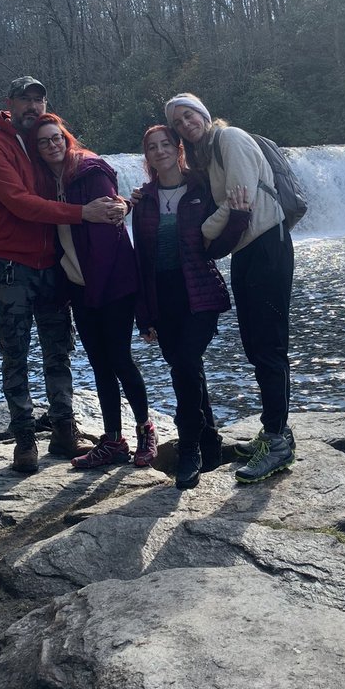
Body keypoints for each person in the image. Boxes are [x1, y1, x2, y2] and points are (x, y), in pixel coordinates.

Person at [0, 76, 123, 474]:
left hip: (53, 267)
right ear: (9, 103)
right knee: (15, 353)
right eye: (24, 100)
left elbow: (82, 168)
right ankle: (24, 439)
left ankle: (63, 431)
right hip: (12, 267)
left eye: (38, 100)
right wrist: (82, 214)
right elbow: (21, 203)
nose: (32, 107)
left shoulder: (44, 143)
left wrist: (120, 200)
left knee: (59, 352)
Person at [164, 93, 295, 484]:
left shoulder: (232, 138)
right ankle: (275, 430)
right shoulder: (208, 153)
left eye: (190, 117)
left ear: (203, 114)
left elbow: (243, 198)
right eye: (180, 123)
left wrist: (202, 232)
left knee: (268, 345)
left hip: (267, 246)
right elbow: (231, 204)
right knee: (256, 345)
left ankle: (277, 442)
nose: (187, 125)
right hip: (248, 250)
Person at [27, 113, 157, 470]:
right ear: (37, 149)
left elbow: (107, 234)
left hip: (112, 283)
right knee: (100, 365)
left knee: (119, 359)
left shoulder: (90, 169)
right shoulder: (47, 181)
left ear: (66, 138)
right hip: (81, 286)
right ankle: (113, 440)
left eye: (56, 137)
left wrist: (123, 206)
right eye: (43, 141)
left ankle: (146, 430)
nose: (52, 145)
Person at [131, 125, 250, 490]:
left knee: (184, 363)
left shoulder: (201, 186)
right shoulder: (144, 199)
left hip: (199, 294)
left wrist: (241, 216)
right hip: (162, 299)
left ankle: (190, 450)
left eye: (166, 143)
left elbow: (215, 246)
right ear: (147, 156)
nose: (160, 151)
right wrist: (143, 316)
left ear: (178, 148)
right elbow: (141, 261)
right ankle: (211, 443)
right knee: (188, 368)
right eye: (152, 147)